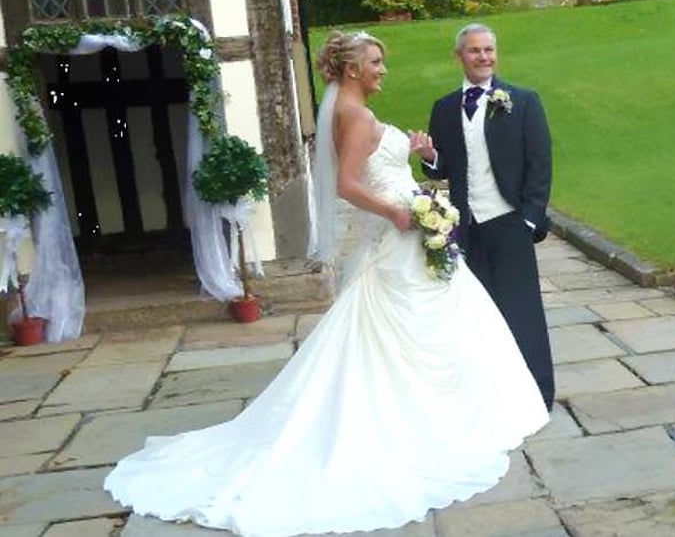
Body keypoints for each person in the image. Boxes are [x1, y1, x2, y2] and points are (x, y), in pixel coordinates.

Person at [103, 30, 549, 537]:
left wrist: (416, 172)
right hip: (399, 234)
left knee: (444, 324)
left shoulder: (351, 112)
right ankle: (432, 421)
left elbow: (378, 172)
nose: (383, 69)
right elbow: (347, 185)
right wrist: (398, 213)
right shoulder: (355, 116)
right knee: (417, 331)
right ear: (353, 68)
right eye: (375, 61)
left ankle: (450, 412)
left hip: (409, 237)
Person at [422, 23, 555, 411]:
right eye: (474, 50)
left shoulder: (523, 101)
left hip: (510, 220)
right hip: (467, 226)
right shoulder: (444, 108)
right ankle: (489, 394)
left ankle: (537, 395)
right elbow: (443, 167)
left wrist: (530, 218)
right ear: (459, 56)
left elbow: (540, 164)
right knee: (477, 313)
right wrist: (430, 157)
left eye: (488, 50)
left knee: (522, 310)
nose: (483, 57)